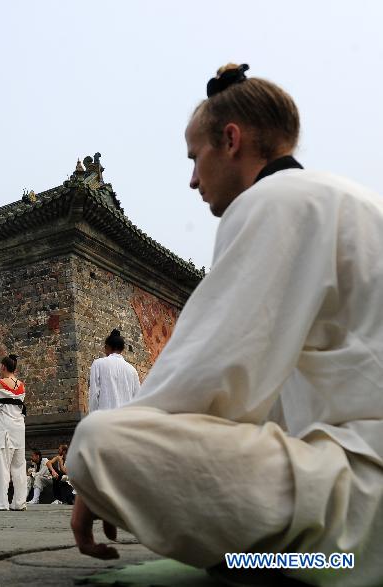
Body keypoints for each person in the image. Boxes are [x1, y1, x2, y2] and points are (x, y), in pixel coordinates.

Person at [66, 64, 383, 586]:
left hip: (359, 509)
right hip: (355, 482)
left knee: (98, 439)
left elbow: (203, 380)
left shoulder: (272, 202)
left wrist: (93, 481)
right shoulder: (347, 201)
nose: (192, 179)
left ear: (231, 140)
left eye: (195, 158)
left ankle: (284, 560)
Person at [0, 354, 27, 511]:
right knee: (19, 466)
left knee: (1, 466)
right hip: (18, 428)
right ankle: (19, 502)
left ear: (3, 367)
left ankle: (0, 502)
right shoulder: (22, 385)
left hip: (3, 428)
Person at [88, 329, 140, 413]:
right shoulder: (132, 370)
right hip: (127, 420)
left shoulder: (98, 364)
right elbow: (137, 399)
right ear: (122, 349)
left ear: (107, 347)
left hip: (105, 419)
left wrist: (92, 417)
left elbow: (94, 395)